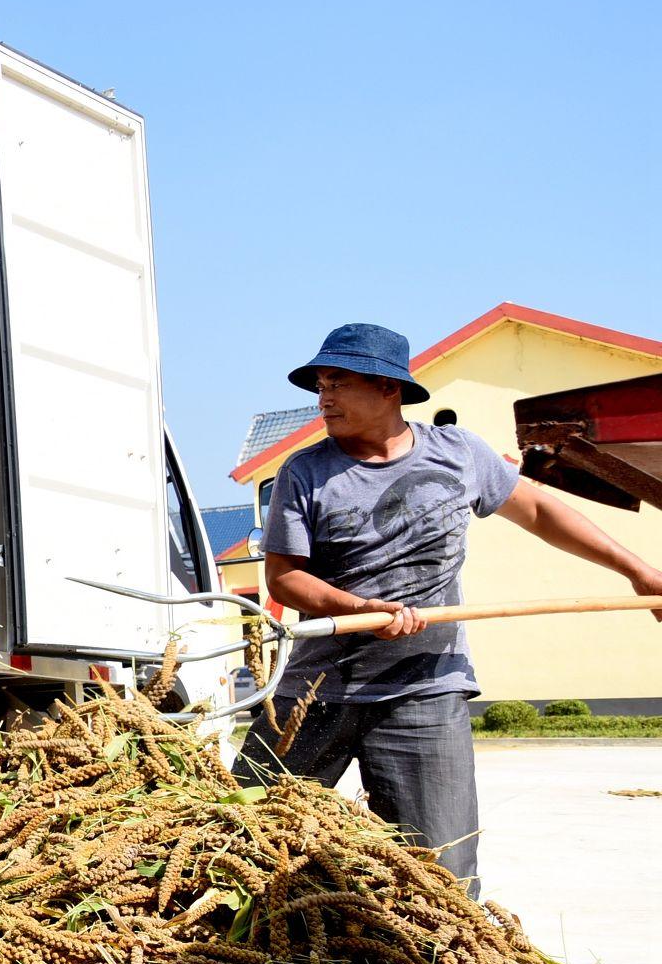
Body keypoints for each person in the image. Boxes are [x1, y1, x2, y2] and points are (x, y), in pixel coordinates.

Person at [237, 322, 662, 894]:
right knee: (240, 843)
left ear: (389, 388)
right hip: (317, 691)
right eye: (320, 384)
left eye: (339, 381)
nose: (325, 397)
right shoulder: (306, 472)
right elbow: (286, 579)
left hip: (426, 692)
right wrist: (358, 604)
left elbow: (539, 512)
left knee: (442, 875)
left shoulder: (458, 453)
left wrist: (636, 570)